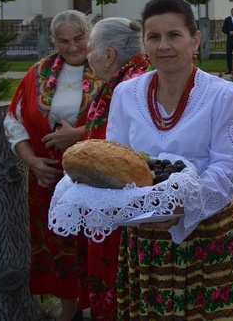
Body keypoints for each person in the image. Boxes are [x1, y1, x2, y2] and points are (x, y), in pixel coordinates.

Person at [106, 0, 233, 320]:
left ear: (195, 40)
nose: (163, 45)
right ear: (144, 44)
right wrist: (143, 206)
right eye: (154, 37)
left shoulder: (222, 94)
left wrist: (183, 204)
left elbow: (230, 166)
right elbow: (116, 159)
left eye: (174, 35)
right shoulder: (125, 93)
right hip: (146, 236)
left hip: (206, 232)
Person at [4, 10, 99, 321]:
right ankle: (69, 311)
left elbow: (126, 120)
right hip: (49, 179)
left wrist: (80, 134)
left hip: (96, 177)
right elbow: (14, 121)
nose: (72, 47)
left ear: (90, 35)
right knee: (59, 246)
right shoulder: (39, 72)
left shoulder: (106, 67)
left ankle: (101, 307)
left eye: (79, 38)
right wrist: (31, 161)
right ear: (53, 41)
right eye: (63, 40)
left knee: (94, 242)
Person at [83, 17, 151, 320]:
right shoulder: (128, 78)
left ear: (108, 55)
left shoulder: (130, 85)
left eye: (89, 48)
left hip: (126, 208)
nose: (87, 56)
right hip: (119, 203)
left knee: (124, 282)